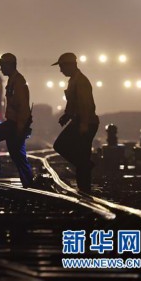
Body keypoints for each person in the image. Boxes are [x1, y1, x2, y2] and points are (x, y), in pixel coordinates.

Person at [52, 52, 99, 194]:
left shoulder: (81, 81)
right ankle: (84, 186)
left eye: (62, 67)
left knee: (63, 146)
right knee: (80, 155)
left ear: (70, 65)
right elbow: (73, 103)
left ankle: (84, 187)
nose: (60, 70)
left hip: (86, 122)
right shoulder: (73, 80)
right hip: (79, 121)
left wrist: (83, 124)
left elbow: (85, 105)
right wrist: (66, 115)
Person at [0, 53, 34, 188]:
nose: (1, 69)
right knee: (17, 155)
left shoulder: (18, 82)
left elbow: (23, 106)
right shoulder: (13, 80)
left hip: (16, 123)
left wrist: (20, 128)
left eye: (2, 66)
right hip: (14, 123)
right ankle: (29, 183)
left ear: (9, 65)